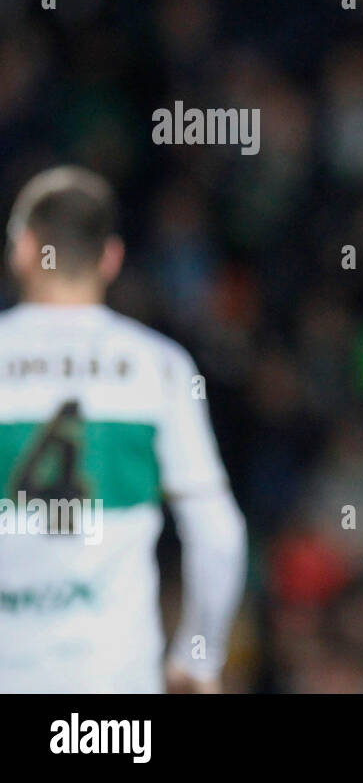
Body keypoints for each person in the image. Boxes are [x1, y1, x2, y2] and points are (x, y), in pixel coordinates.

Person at [0, 167, 246, 693]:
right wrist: (200, 657)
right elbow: (218, 536)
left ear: (23, 249)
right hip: (114, 681)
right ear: (111, 257)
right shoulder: (159, 367)